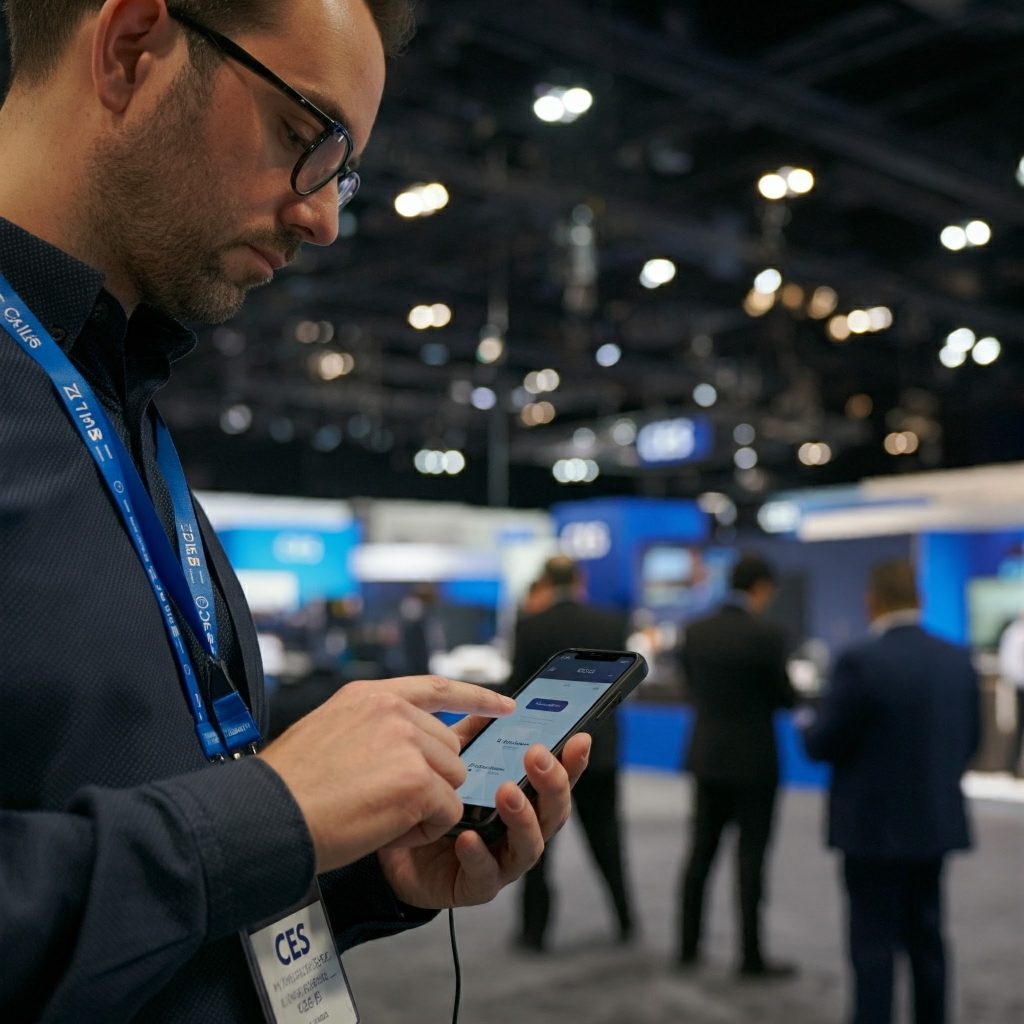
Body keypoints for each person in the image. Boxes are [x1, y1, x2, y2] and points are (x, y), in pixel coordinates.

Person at [0, 3, 589, 1020]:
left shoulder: (120, 405)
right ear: (132, 45)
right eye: (302, 135)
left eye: (342, 170)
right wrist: (264, 819)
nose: (321, 216)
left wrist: (349, 867)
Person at [802, 560, 980, 1024]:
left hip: (871, 830)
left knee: (873, 948)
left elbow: (824, 743)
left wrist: (808, 725)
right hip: (932, 822)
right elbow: (971, 741)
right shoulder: (956, 657)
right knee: (928, 938)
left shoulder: (860, 660)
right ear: (919, 598)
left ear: (872, 599)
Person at [676, 553, 797, 977]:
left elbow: (689, 685)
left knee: (700, 855)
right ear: (762, 588)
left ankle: (687, 948)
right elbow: (786, 697)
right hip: (755, 763)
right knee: (751, 861)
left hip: (707, 757)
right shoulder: (769, 634)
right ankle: (750, 956)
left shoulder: (695, 632)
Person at [510, 556, 635, 950]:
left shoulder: (529, 625)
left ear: (546, 580)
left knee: (537, 845)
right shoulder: (611, 623)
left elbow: (519, 691)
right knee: (608, 840)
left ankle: (534, 933)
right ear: (579, 580)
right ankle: (625, 920)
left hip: (544, 756)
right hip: (598, 752)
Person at [997, 610, 1024, 776]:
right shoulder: (1013, 634)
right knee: (1018, 726)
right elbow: (1009, 663)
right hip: (1020, 687)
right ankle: (1013, 765)